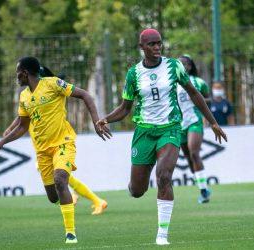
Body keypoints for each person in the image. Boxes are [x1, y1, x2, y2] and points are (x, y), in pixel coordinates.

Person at [96, 28, 227, 245]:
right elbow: (125, 107)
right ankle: (133, 187)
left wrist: (212, 122)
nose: (157, 47)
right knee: (138, 191)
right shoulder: (133, 74)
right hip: (144, 132)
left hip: (170, 129)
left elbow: (194, 93)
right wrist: (106, 119)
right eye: (152, 44)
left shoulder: (174, 66)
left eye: (159, 43)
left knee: (164, 176)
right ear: (142, 47)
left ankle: (162, 235)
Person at [0, 56, 111, 244]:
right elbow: (22, 126)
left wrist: (96, 121)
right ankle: (72, 199)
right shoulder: (24, 97)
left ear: (24, 73)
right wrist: (2, 142)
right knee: (53, 196)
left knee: (61, 179)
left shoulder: (53, 84)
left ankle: (70, 233)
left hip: (63, 143)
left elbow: (85, 95)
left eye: (17, 74)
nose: (16, 78)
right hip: (42, 151)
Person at [3, 116, 108, 215]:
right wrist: (10, 128)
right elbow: (21, 116)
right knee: (66, 179)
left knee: (62, 179)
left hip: (54, 149)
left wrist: (10, 128)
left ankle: (92, 200)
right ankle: (88, 199)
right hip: (43, 151)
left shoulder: (43, 104)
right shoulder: (29, 103)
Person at [177, 55, 211, 204]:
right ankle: (202, 185)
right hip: (179, 124)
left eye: (184, 63)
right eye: (179, 63)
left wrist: (198, 99)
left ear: (189, 66)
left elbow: (208, 99)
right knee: (189, 159)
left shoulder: (198, 82)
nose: (181, 66)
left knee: (194, 152)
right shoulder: (171, 83)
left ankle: (204, 191)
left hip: (195, 121)